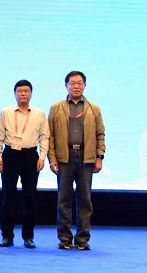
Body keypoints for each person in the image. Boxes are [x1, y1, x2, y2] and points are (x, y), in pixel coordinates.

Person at [48, 71, 105, 251]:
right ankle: (64, 238)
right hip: (64, 157)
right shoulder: (56, 108)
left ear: (85, 86)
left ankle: (82, 239)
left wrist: (99, 157)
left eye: (80, 83)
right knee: (63, 200)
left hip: (86, 158)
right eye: (72, 83)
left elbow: (100, 134)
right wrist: (52, 158)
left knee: (85, 200)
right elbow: (50, 136)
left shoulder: (94, 109)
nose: (76, 86)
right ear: (66, 86)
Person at [0, 80, 50, 249]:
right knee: (7, 198)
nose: (23, 94)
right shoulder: (6, 112)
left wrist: (42, 157)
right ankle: (7, 236)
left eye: (26, 91)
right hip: (10, 155)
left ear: (31, 94)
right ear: (15, 94)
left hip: (30, 156)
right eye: (20, 91)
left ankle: (28, 236)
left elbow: (44, 136)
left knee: (30, 198)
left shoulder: (39, 113)